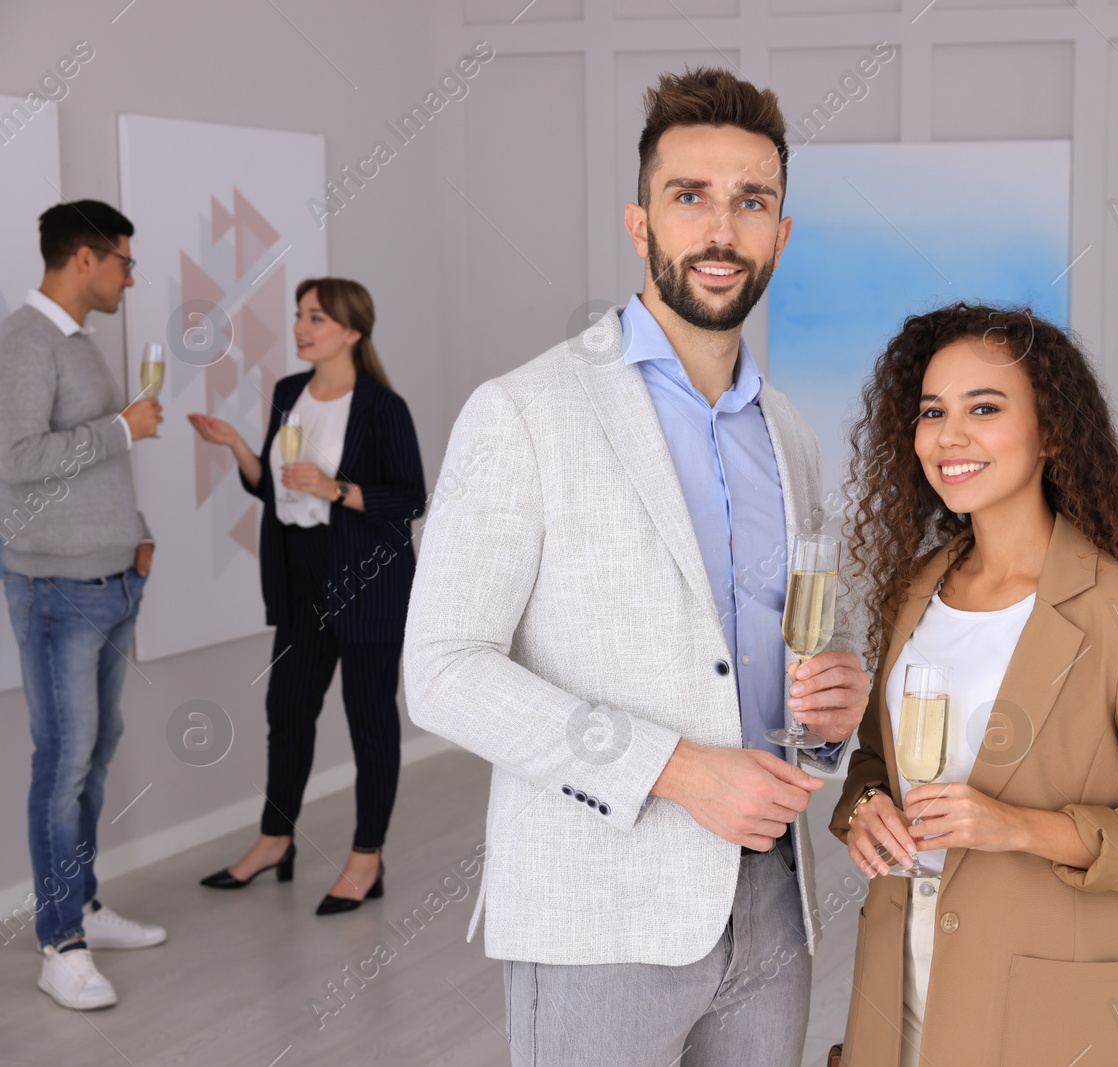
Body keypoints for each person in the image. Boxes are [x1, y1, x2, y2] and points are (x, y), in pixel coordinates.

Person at [403, 67, 871, 1067]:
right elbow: (441, 669)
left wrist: (832, 704)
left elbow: (800, 642)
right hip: (595, 915)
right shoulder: (523, 411)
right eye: (688, 196)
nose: (719, 229)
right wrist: (678, 768)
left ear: (780, 235)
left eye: (751, 202)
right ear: (639, 222)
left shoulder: (787, 431)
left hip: (773, 909)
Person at [832, 303, 1118, 1066]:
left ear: (1051, 430)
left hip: (1044, 1016)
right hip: (897, 989)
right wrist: (862, 808)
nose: (950, 436)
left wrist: (1015, 827)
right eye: (932, 411)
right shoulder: (915, 591)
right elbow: (875, 763)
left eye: (984, 408)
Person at [189, 278, 424, 915]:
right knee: (286, 712)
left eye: (316, 317)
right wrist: (238, 447)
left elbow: (412, 499)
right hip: (300, 576)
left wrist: (337, 488)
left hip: (366, 579)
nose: (301, 327)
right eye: (299, 315)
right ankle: (274, 842)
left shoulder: (383, 408)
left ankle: (366, 857)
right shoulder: (289, 393)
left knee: (369, 722)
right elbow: (277, 490)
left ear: (350, 331)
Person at [0, 200, 167, 1010]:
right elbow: (18, 459)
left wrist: (134, 533)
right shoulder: (26, 342)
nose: (130, 277)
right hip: (54, 588)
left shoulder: (77, 343)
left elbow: (96, 467)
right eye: (124, 263)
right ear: (85, 258)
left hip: (111, 579)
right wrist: (125, 429)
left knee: (93, 758)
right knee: (62, 764)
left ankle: (83, 906)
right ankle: (57, 943)